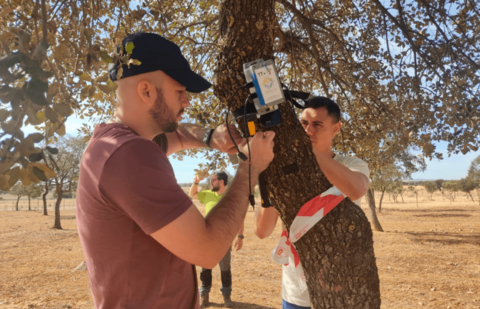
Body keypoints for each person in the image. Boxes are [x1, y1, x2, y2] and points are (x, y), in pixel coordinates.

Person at [76, 32, 275, 309]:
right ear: (146, 91)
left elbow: (177, 136)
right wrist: (250, 168)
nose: (187, 101)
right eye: (179, 92)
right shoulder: (130, 155)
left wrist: (209, 137)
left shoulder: (110, 145)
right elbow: (208, 250)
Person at [254, 97, 370, 309]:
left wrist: (305, 151)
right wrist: (268, 178)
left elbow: (357, 188)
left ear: (336, 129)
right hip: (296, 292)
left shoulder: (350, 164)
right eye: (303, 124)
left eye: (317, 124)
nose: (308, 130)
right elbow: (263, 231)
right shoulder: (283, 171)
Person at [189, 171, 244, 308]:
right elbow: (192, 194)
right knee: (205, 268)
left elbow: (239, 218)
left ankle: (226, 296)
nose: (210, 182)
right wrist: (196, 182)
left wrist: (240, 236)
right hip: (208, 239)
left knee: (225, 269)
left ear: (221, 182)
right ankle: (204, 296)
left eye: (213, 180)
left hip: (225, 241)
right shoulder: (208, 194)